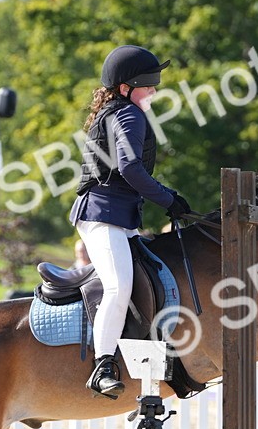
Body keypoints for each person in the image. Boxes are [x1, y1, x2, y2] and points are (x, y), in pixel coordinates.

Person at [68, 44, 191, 398]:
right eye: (148, 86)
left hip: (119, 217)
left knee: (150, 279)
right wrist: (168, 199)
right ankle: (103, 365)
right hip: (102, 216)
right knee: (119, 286)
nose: (153, 91)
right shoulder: (129, 115)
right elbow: (130, 169)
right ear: (125, 88)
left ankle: (148, 356)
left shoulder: (119, 110)